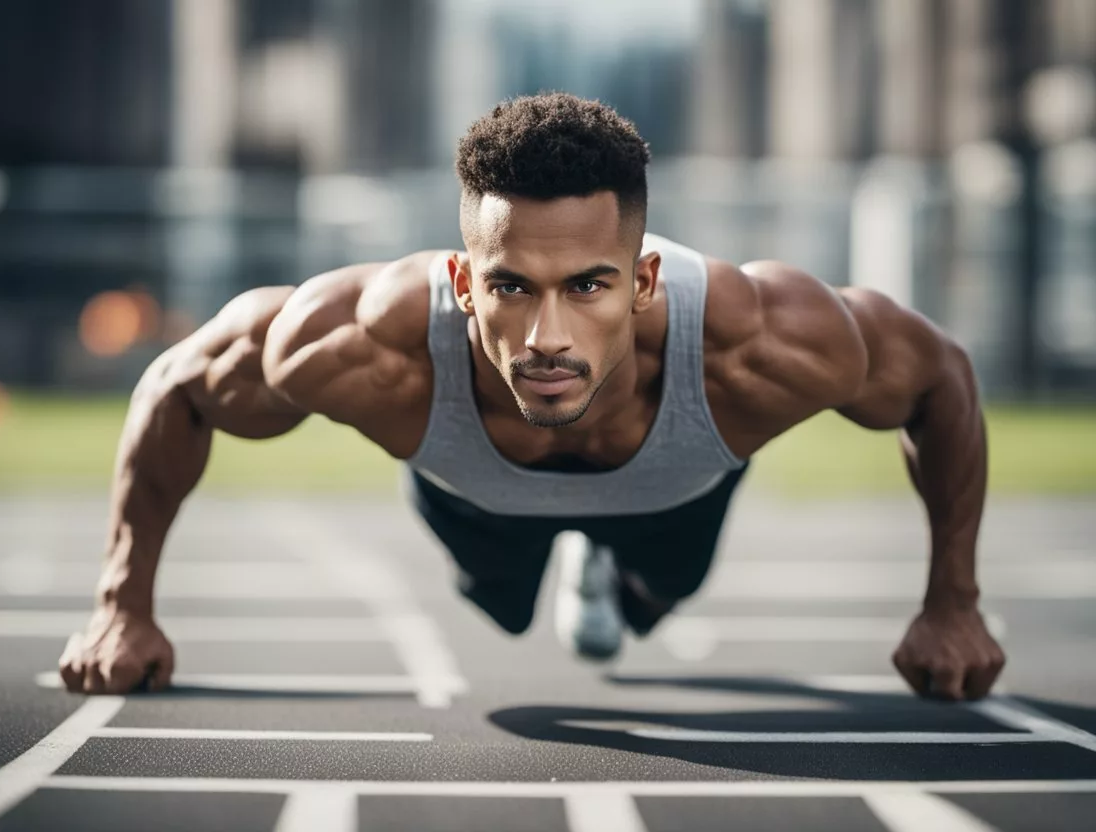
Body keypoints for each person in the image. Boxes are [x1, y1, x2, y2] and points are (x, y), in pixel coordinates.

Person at [58, 93, 1005, 702]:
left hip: (672, 492)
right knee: (502, 605)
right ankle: (544, 564)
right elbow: (179, 382)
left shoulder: (755, 341)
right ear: (464, 285)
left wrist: (953, 602)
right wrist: (122, 604)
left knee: (654, 598)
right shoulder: (361, 340)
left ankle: (612, 568)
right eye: (511, 286)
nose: (548, 336)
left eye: (587, 286)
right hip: (478, 494)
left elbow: (939, 377)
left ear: (642, 281)